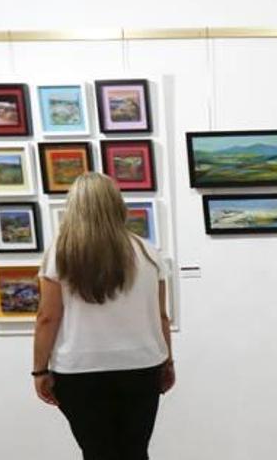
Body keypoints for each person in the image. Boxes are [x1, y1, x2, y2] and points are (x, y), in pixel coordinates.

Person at [32, 172, 175, 460]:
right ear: (117, 205)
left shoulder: (60, 254)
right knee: (135, 451)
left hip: (79, 370)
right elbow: (161, 316)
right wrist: (168, 361)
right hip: (142, 365)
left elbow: (47, 317)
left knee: (97, 452)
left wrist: (40, 370)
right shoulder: (147, 252)